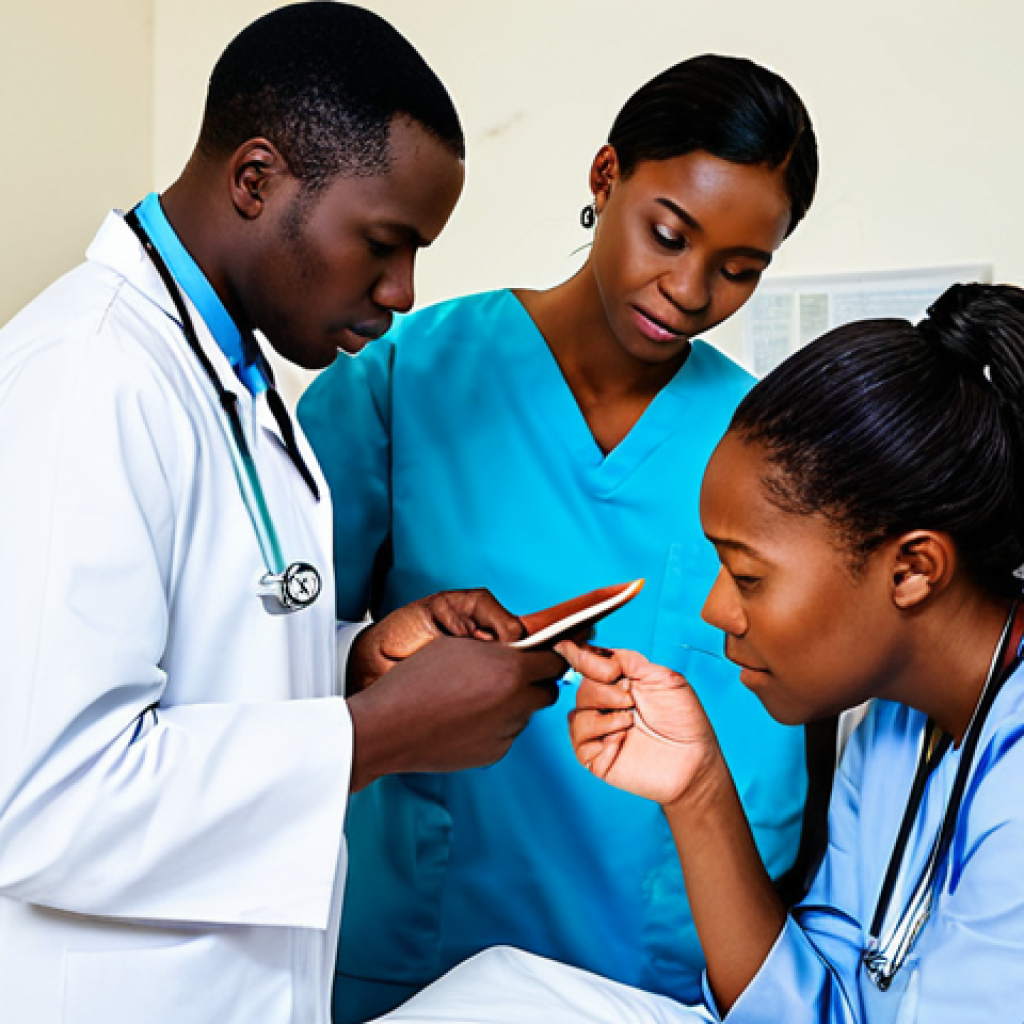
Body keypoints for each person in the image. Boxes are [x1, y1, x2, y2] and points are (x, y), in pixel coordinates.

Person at [0, 6, 565, 1024]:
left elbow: (204, 661)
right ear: (256, 180)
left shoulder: (234, 378)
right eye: (385, 243)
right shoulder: (89, 377)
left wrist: (360, 657)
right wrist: (375, 735)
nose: (401, 291)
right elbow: (44, 801)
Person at [299, 54, 819, 1020]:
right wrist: (372, 659)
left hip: (650, 980)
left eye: (740, 270)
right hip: (423, 961)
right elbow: (265, 658)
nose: (691, 290)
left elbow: (790, 733)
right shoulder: (409, 379)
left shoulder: (766, 443)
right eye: (669, 235)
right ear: (605, 175)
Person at [374, 282, 1024, 1023]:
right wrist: (697, 790)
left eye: (747, 575)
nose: (716, 609)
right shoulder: (898, 729)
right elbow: (818, 1009)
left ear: (912, 569)